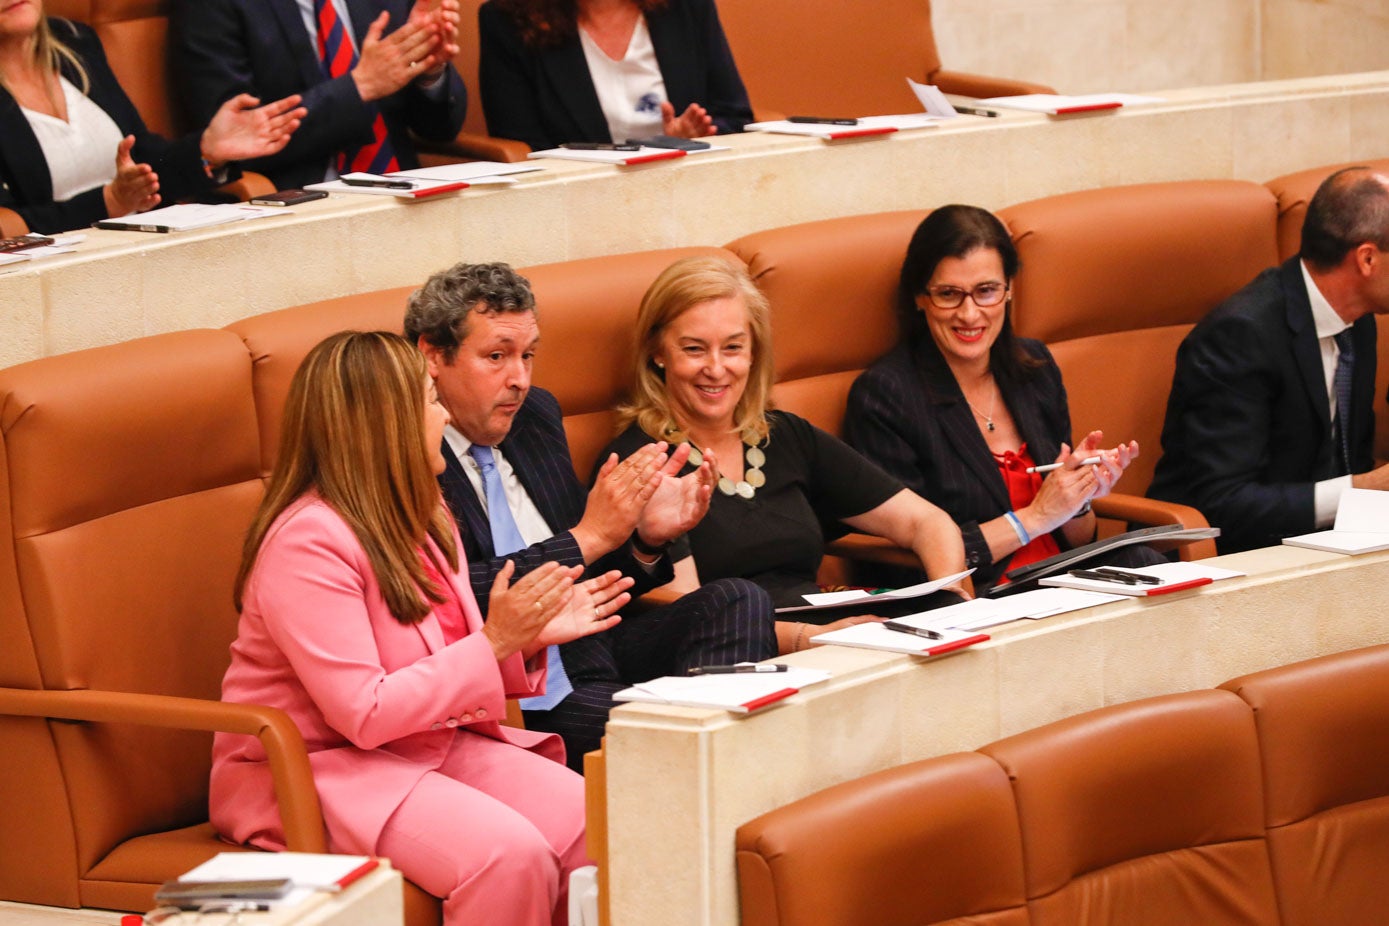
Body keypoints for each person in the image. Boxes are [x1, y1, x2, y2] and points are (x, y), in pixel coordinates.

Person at [212, 330, 628, 926]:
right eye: (430, 401)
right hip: (315, 769)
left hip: (425, 746)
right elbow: (365, 712)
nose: (442, 414)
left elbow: (449, 655)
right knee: (506, 856)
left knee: (598, 817)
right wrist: (496, 641)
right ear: (386, 423)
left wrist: (526, 637)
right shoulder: (306, 542)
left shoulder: (429, 515)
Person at [404, 261, 777, 772]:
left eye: (528, 355)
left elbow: (591, 567)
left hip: (595, 649)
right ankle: (728, 781)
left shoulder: (534, 415)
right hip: (522, 689)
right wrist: (589, 535)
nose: (519, 379)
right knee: (669, 738)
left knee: (738, 599)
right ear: (432, 355)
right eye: (496, 357)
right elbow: (448, 592)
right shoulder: (407, 449)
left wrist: (644, 540)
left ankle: (728, 776)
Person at [601, 255, 970, 655]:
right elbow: (692, 617)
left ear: (753, 352)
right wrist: (812, 639)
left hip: (834, 633)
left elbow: (928, 522)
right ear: (658, 352)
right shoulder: (645, 462)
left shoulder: (784, 435)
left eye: (733, 348)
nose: (716, 368)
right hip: (741, 655)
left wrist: (949, 604)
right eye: (694, 349)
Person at [844, 206, 1152, 593]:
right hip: (979, 594)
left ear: (1009, 291)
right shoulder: (885, 397)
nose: (970, 314)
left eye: (986, 291)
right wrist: (1035, 518)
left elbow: (1078, 540)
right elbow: (914, 556)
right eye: (949, 294)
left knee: (1149, 565)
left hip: (1061, 579)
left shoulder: (1035, 369)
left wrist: (1081, 495)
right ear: (920, 298)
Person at [1148, 166, 1389, 554]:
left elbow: (1349, 458)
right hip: (1232, 556)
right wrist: (1365, 489)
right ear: (1367, 259)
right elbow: (1221, 504)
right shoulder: (1240, 335)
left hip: (1328, 547)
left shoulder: (1358, 319)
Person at [0, 4, 305, 233]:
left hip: (142, 246)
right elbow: (7, 223)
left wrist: (205, 151)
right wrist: (110, 202)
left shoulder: (75, 41)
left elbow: (140, 156)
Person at [171, 0, 467, 191]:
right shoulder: (210, 7)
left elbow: (440, 129)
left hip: (405, 193)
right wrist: (359, 87)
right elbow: (235, 139)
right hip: (299, 203)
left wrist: (429, 70)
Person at [478, 0, 751, 152]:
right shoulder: (506, 21)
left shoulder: (687, 7)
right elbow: (523, 149)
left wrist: (689, 137)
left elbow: (735, 116)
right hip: (578, 205)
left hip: (689, 190)